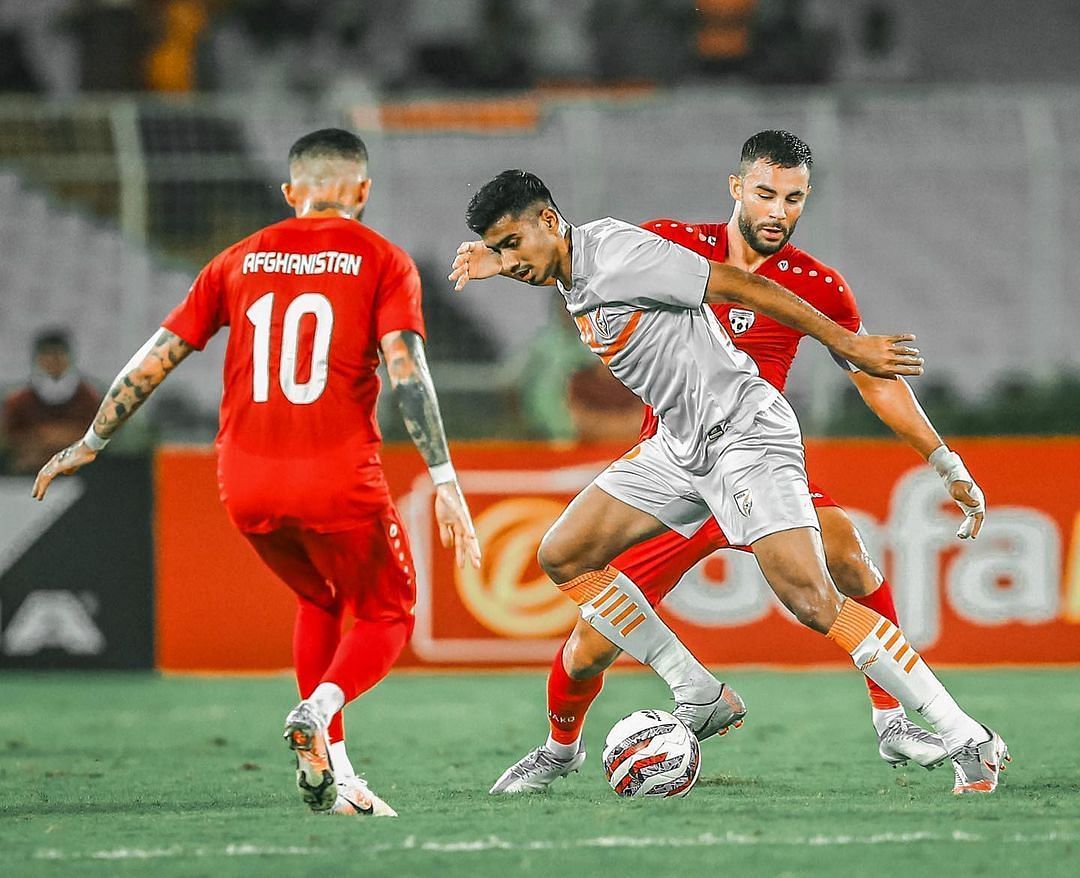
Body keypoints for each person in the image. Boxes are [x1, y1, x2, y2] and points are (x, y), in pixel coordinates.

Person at [450, 168, 1007, 796]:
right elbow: (544, 260)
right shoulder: (574, 268)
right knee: (563, 554)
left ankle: (968, 738)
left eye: (513, 243)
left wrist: (849, 343)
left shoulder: (620, 255)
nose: (509, 258)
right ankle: (696, 693)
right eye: (499, 248)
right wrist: (498, 259)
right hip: (680, 448)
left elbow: (739, 283)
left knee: (813, 600)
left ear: (549, 221)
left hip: (744, 436)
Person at [32, 128, 481, 818]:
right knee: (389, 610)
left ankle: (339, 774)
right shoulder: (383, 260)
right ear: (362, 192)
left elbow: (156, 358)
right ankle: (320, 706)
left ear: (288, 193)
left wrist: (93, 438)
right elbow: (406, 374)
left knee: (322, 600)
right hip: (337, 475)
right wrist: (444, 477)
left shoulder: (239, 258)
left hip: (242, 482)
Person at [2, 329, 101, 474]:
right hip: (31, 469)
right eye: (48, 354)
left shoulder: (89, 397)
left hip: (81, 469)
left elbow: (101, 434)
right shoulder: (18, 400)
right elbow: (9, 438)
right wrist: (39, 440)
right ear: (38, 359)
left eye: (59, 354)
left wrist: (65, 438)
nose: (54, 360)